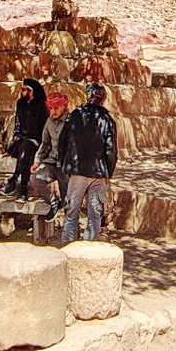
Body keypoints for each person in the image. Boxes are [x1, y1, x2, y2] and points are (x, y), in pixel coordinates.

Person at [58, 83, 118, 242]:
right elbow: (111, 150)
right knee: (94, 215)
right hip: (98, 173)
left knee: (71, 213)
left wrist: (65, 165)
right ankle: (89, 249)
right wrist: (108, 172)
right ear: (103, 99)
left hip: (77, 171)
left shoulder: (75, 115)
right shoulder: (107, 120)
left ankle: (68, 248)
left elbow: (62, 142)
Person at [2, 78, 48, 199]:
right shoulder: (20, 103)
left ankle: (14, 180)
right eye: (22, 89)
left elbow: (44, 126)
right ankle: (22, 188)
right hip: (21, 140)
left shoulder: (41, 104)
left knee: (27, 148)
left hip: (36, 140)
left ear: (32, 91)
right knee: (25, 151)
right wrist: (16, 138)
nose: (22, 91)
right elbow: (18, 124)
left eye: (25, 89)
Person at [30, 91, 70, 214]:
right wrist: (37, 161)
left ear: (64, 106)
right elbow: (45, 144)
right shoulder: (49, 121)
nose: (53, 112)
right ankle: (53, 201)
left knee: (68, 199)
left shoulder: (72, 121)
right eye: (50, 109)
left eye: (56, 108)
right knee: (35, 179)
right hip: (51, 162)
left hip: (67, 165)